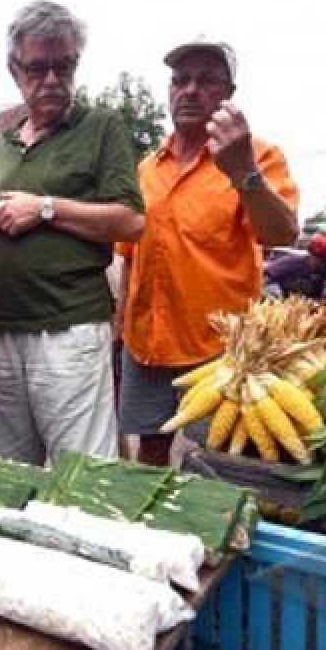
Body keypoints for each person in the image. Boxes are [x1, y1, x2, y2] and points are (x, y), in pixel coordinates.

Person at [0, 0, 145, 465]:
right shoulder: (4, 146)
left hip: (69, 328)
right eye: (37, 69)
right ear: (14, 70)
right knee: (7, 473)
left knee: (79, 478)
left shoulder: (101, 128)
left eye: (62, 67)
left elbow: (131, 221)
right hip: (3, 328)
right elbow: (14, 225)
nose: (51, 80)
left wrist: (44, 208)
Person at [118, 36, 299, 466]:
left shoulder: (259, 156)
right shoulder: (147, 168)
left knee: (224, 462)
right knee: (150, 452)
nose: (190, 90)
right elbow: (129, 257)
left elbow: (283, 232)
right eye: (180, 80)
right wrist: (117, 331)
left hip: (222, 352)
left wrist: (244, 174)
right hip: (148, 342)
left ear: (229, 95)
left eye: (206, 81)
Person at [264, 234, 326, 301]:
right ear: (313, 255)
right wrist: (275, 297)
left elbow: (320, 290)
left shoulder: (320, 272)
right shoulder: (292, 263)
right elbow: (265, 278)